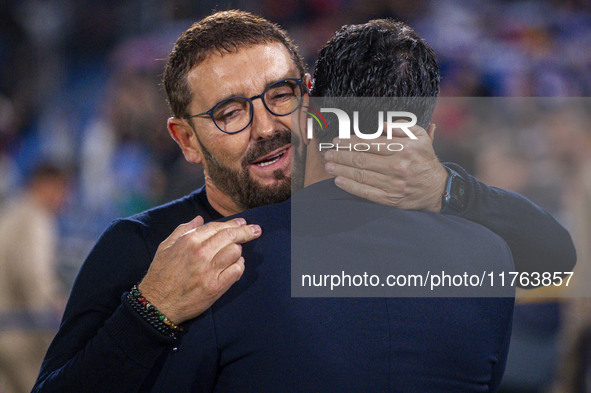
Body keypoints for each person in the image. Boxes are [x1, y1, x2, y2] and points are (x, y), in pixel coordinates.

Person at [32, 10, 575, 393]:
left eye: (280, 96)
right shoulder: (140, 247)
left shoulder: (385, 226)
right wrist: (150, 312)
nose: (267, 127)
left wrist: (447, 189)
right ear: (186, 140)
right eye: (229, 113)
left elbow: (553, 255)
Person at [146, 18, 514, 392]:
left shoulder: (227, 261)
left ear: (311, 113)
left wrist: (148, 311)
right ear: (427, 138)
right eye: (230, 113)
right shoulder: (492, 257)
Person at [0, 162, 70, 393]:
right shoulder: (37, 219)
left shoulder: (11, 212)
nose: (65, 198)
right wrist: (53, 330)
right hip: (22, 333)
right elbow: (34, 279)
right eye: (63, 189)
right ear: (46, 185)